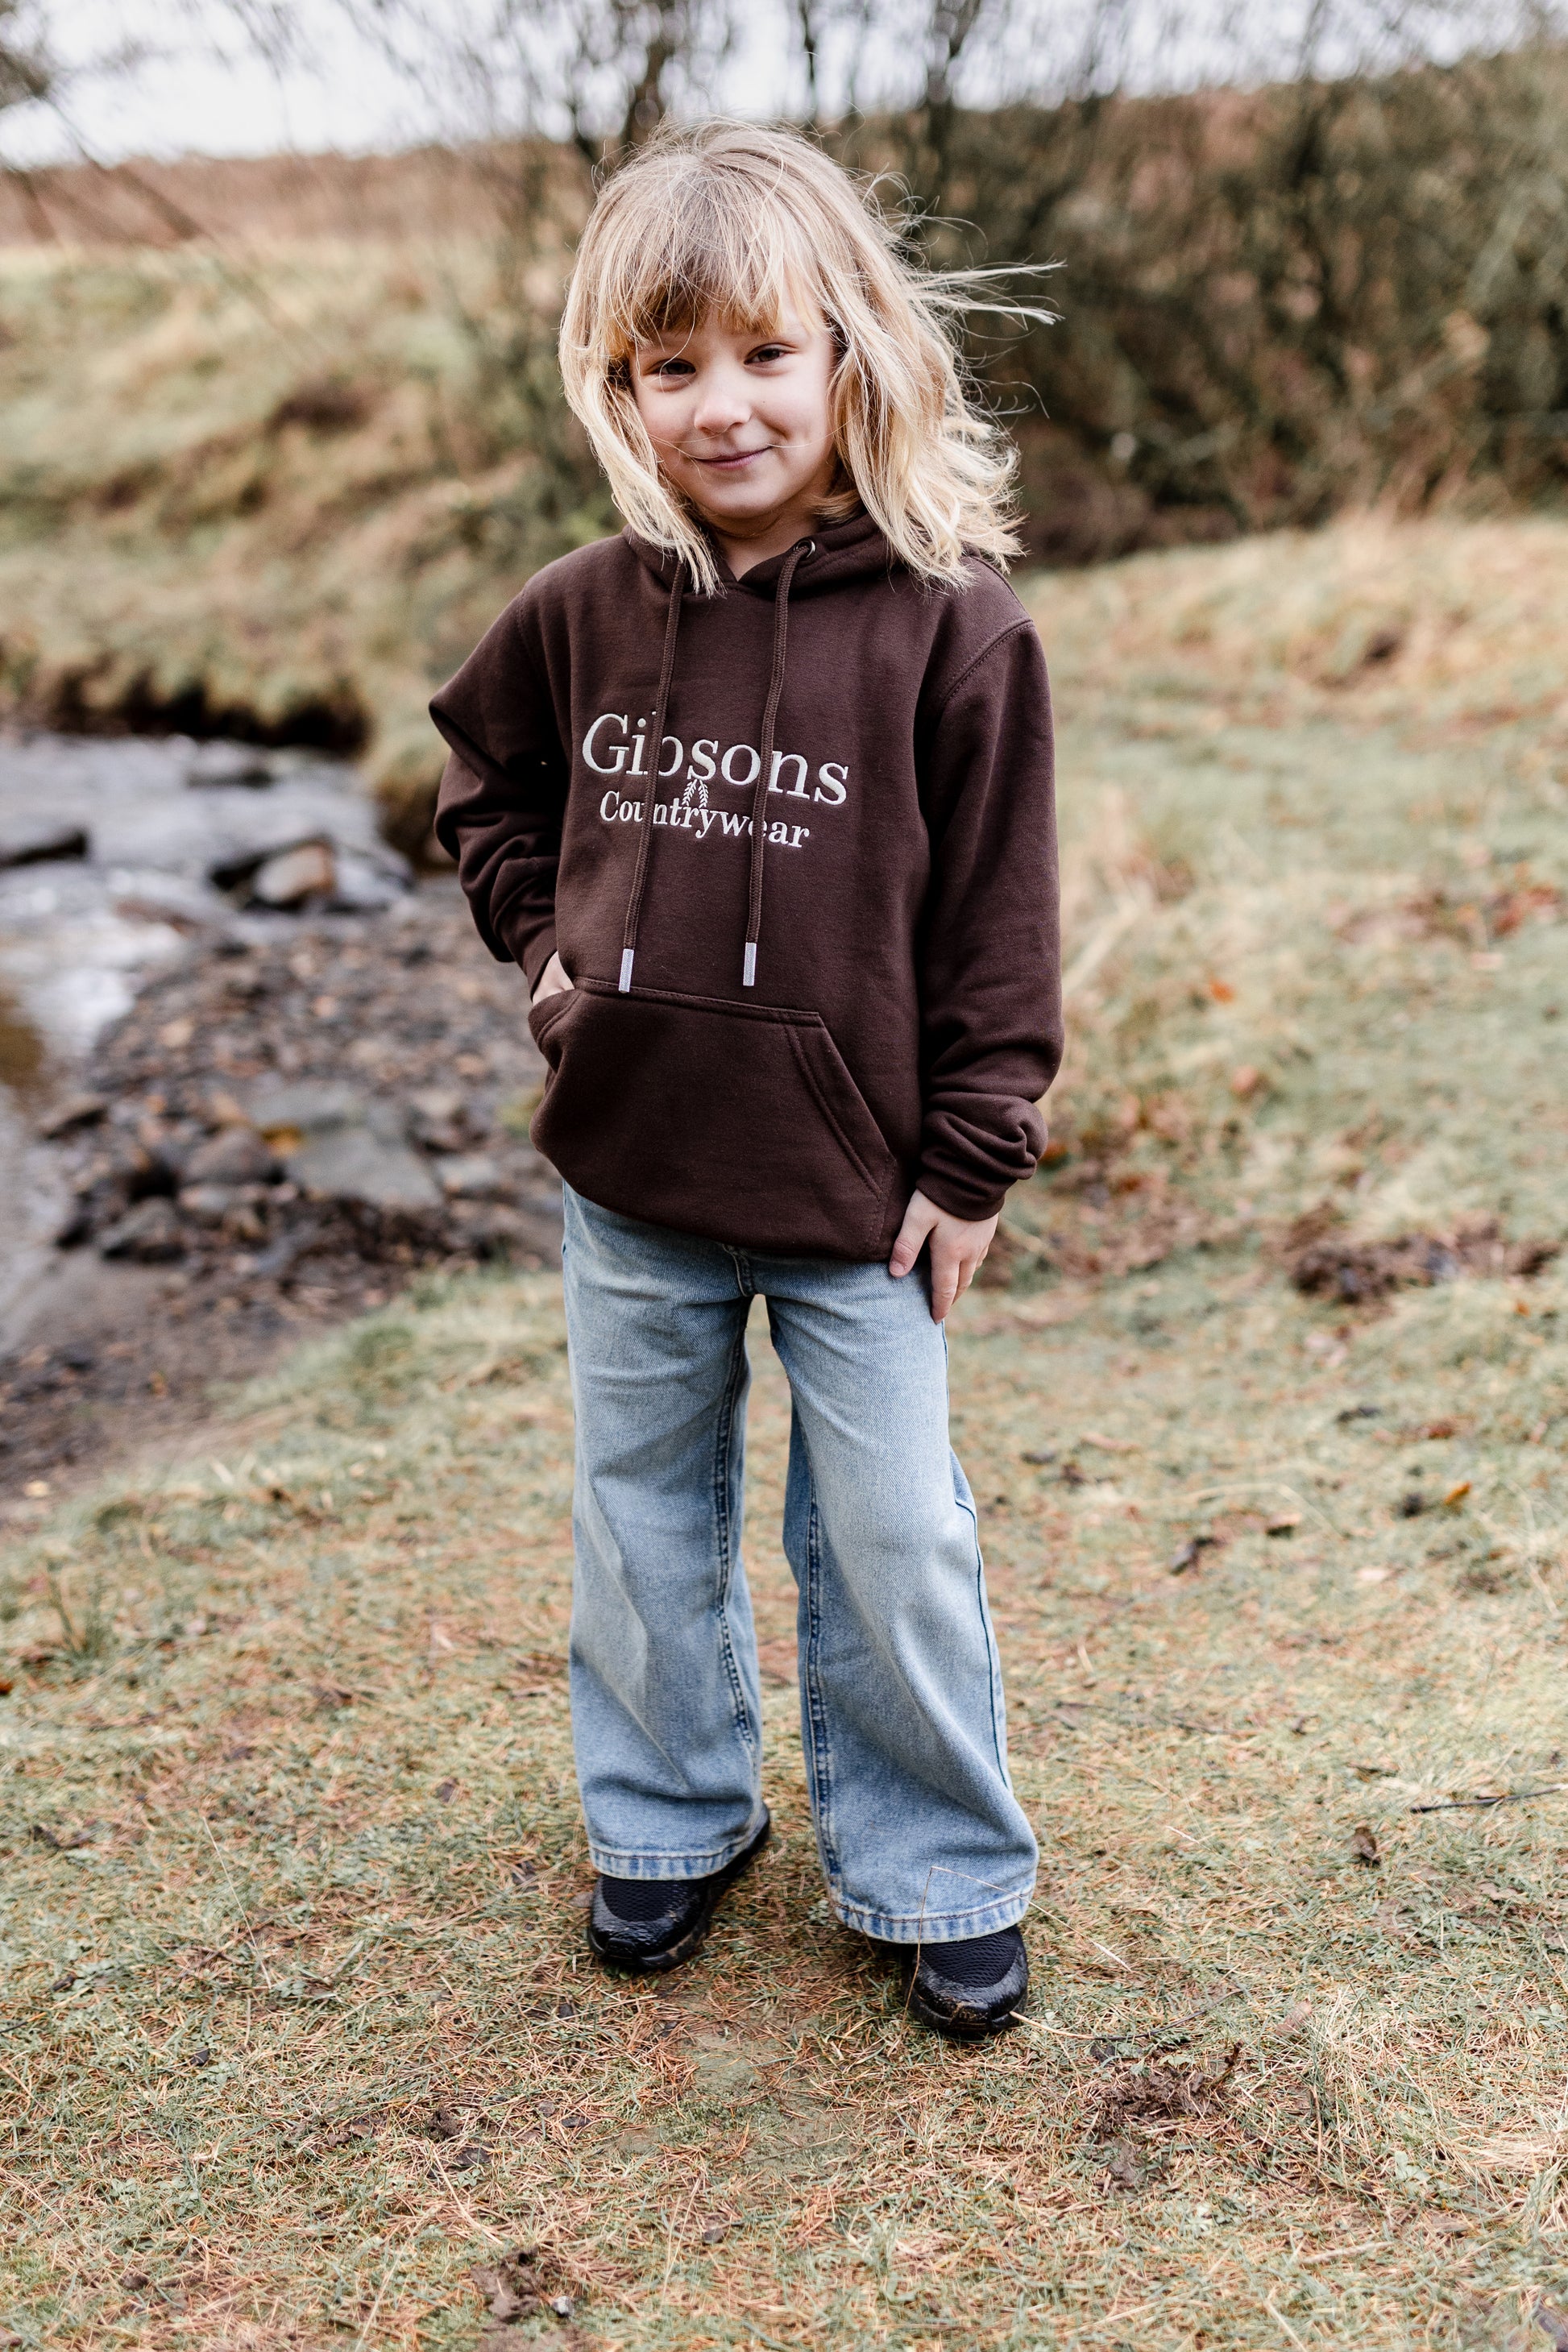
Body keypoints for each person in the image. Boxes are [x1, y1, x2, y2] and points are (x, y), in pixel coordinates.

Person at [430, 119, 1060, 2041]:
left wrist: (970, 1158)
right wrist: (555, 968)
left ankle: (935, 1860)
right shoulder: (581, 602)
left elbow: (1002, 921)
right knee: (639, 1512)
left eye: (763, 354)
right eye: (669, 365)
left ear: (853, 350)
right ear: (615, 384)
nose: (720, 406)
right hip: (629, 1169)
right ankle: (670, 1818)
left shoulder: (956, 623)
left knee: (890, 1531)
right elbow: (485, 778)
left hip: (860, 1193)